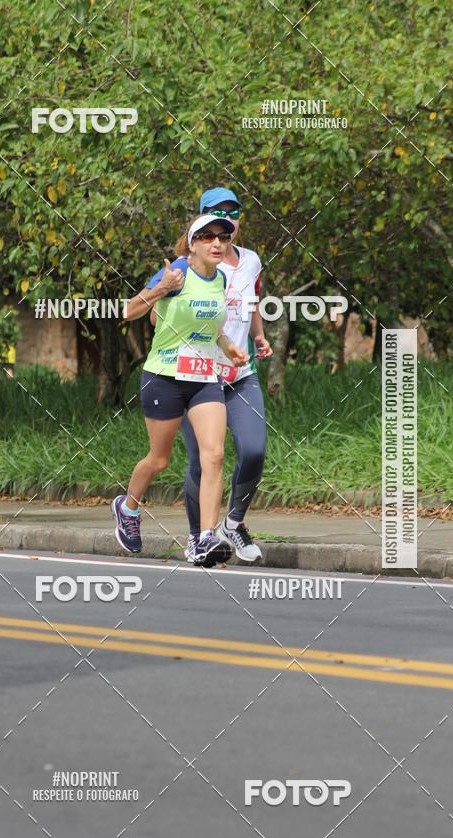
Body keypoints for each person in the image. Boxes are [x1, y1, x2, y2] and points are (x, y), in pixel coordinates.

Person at [112, 213, 248, 567]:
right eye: (208, 237)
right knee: (159, 460)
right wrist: (162, 289)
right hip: (165, 377)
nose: (218, 243)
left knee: (214, 455)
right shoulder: (177, 273)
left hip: (204, 379)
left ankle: (205, 537)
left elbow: (211, 328)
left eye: (223, 236)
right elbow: (128, 311)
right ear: (192, 243)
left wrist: (228, 346)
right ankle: (127, 507)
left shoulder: (218, 279)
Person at [181, 187, 272, 562]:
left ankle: (232, 523)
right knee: (202, 462)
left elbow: (252, 303)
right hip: (195, 377)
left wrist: (259, 335)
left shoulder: (251, 261)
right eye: (217, 212)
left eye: (232, 213)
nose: (227, 218)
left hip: (240, 375)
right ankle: (196, 538)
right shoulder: (191, 265)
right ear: (201, 219)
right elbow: (158, 315)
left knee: (254, 450)